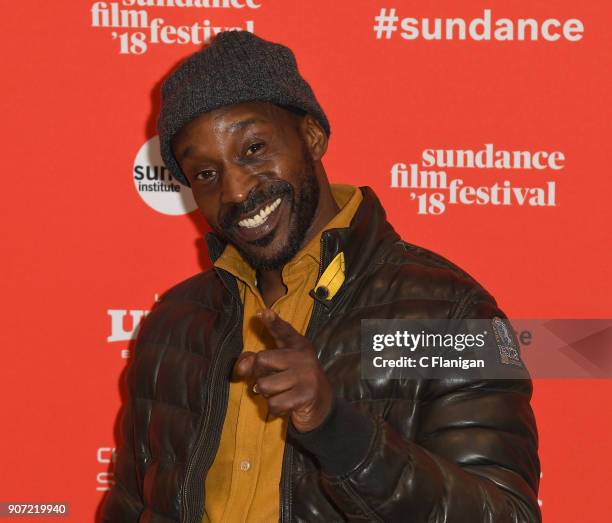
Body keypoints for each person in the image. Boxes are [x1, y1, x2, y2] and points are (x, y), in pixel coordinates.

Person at [100, 30, 540, 522]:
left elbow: (507, 515)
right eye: (206, 174)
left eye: (254, 149)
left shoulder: (444, 312)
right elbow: (130, 504)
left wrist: (337, 429)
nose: (237, 191)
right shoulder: (174, 323)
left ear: (312, 137)